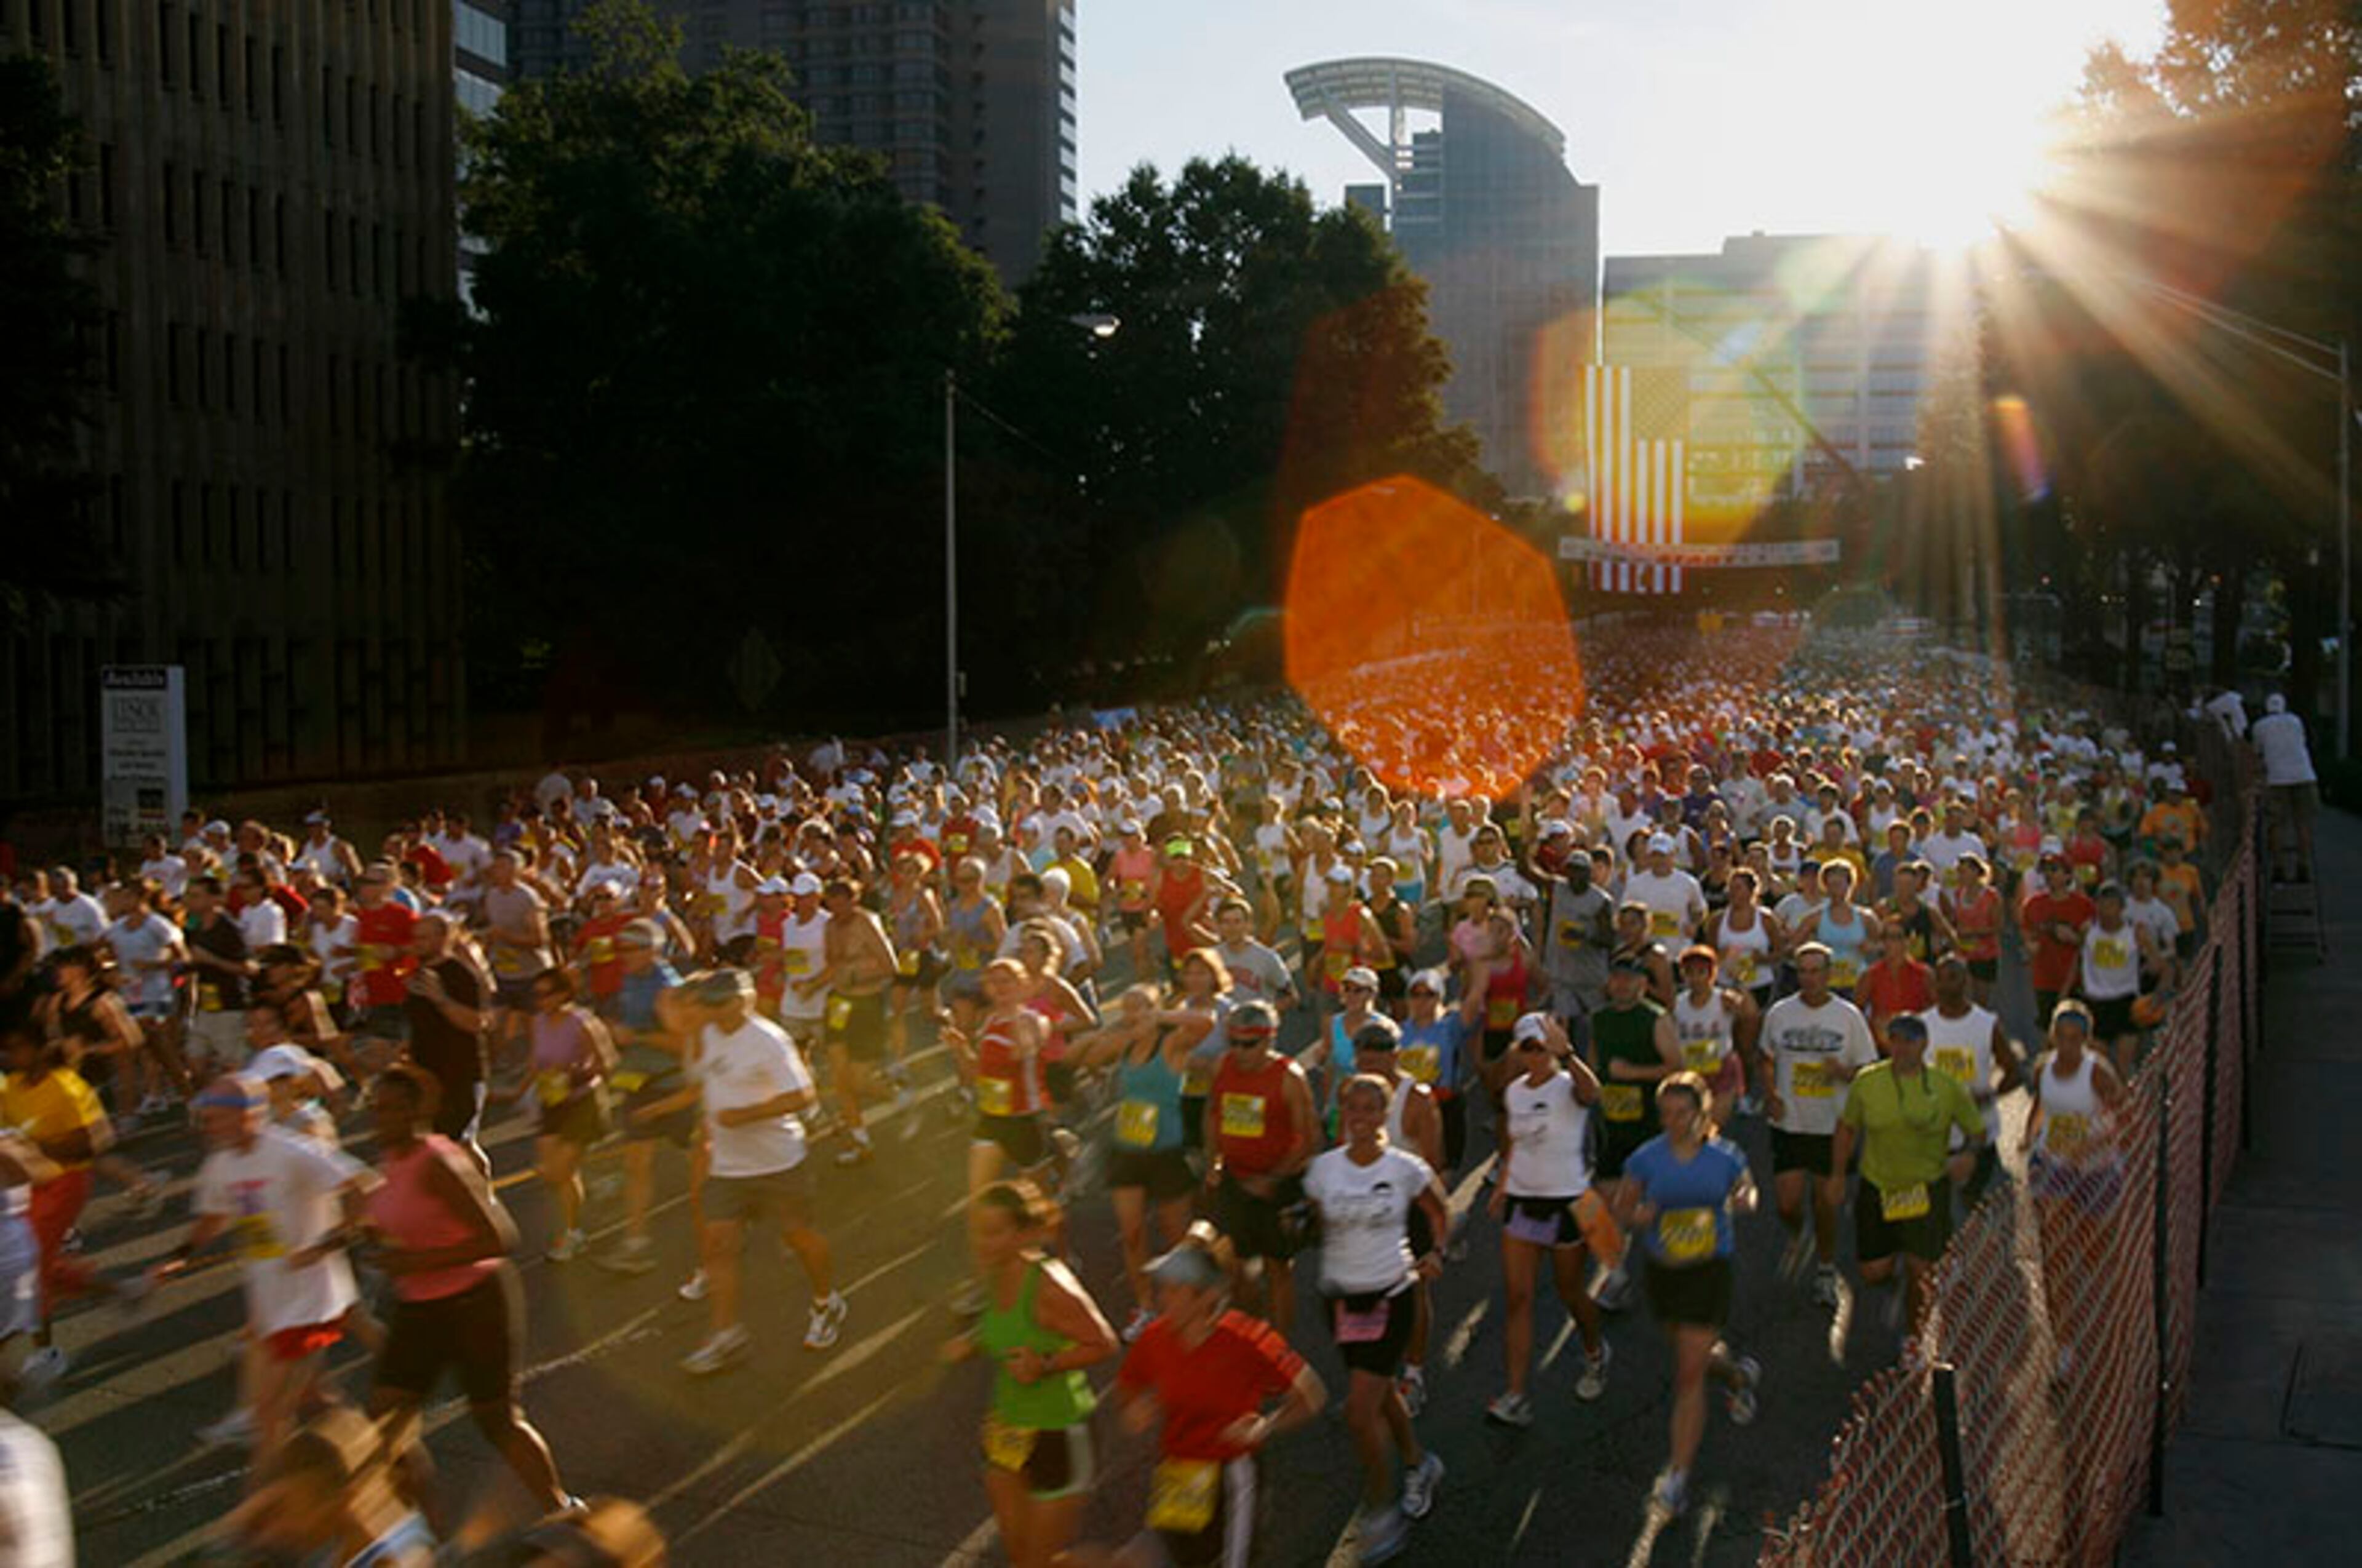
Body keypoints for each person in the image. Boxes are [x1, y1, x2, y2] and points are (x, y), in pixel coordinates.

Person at [362, 1064, 571, 1530]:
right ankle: (425, 1531)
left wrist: (414, 1262)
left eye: (395, 1109)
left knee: (497, 1419)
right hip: (419, 1306)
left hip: (476, 1301)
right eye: (377, 1108)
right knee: (383, 1419)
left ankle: (562, 1510)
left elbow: (500, 1237)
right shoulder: (390, 1161)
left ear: (419, 1111)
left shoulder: (440, 1161)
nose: (383, 1118)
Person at [1062, 1226, 1326, 1568]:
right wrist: (1133, 1410)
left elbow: (1310, 1394)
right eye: (1162, 1290)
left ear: (1206, 1298)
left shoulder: (1247, 1340)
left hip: (1231, 1480)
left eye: (1174, 1291)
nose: (1162, 1299)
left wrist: (1265, 1427)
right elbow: (1129, 1387)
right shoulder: (1154, 1339)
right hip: (1178, 1474)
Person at [629, 969, 846, 1371]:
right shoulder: (710, 1032)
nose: (708, 1011)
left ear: (740, 1002)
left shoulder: (769, 1041)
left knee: (799, 1236)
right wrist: (664, 1107)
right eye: (706, 1004)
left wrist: (747, 1113)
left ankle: (827, 1300)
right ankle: (726, 1334)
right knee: (718, 1244)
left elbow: (803, 1093)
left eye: (715, 1004)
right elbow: (704, 1082)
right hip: (729, 1166)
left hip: (778, 1161)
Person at [153, 1074, 375, 1464]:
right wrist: (181, 1253)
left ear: (250, 1116)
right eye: (206, 1118)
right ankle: (370, 1450)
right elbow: (214, 1215)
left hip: (310, 1297)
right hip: (269, 1299)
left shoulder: (293, 1151)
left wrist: (328, 1244)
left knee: (272, 1417)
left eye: (215, 1118)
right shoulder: (222, 1163)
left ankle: (266, 1506)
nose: (207, 1127)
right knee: (311, 1400)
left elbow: (366, 1186)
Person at [1302, 1073, 1448, 1558]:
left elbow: (1438, 1208)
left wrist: (1436, 1251)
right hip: (1341, 1300)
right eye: (1352, 1109)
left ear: (1385, 1115)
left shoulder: (1405, 1167)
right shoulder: (1322, 1170)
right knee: (1381, 1393)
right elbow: (1320, 1221)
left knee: (1360, 1411)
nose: (1360, 1118)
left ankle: (1382, 1511)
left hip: (1391, 1294)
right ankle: (1419, 1461)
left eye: (1370, 1109)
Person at [939, 1181, 1117, 1568]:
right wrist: (970, 1344)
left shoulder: (1049, 1286)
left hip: (1059, 1432)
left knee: (1040, 1561)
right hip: (1007, 1428)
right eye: (977, 1231)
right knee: (1020, 1556)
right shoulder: (992, 1273)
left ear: (1021, 1233)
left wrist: (1045, 1365)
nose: (981, 1243)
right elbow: (1004, 1332)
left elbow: (1104, 1343)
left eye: (993, 1233)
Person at [1618, 1072, 1763, 1518]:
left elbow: (1749, 1191)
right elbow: (1622, 1208)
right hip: (1664, 1272)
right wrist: (1638, 1216)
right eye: (1666, 1113)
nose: (1674, 1122)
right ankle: (1736, 1373)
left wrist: (1744, 1199)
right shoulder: (1646, 1158)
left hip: (1709, 1271)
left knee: (1687, 1374)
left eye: (1683, 1113)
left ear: (1702, 1113)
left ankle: (1677, 1478)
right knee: (1688, 1351)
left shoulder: (1725, 1156)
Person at [1485, 1013, 1612, 1427]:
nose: (1536, 1056)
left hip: (1568, 1203)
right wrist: (1504, 1183)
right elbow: (1515, 1144)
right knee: (1518, 1298)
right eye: (1528, 1048)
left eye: (1542, 1047)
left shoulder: (1567, 1085)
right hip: (1523, 1202)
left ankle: (1595, 1351)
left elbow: (1592, 1093)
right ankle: (1517, 1394)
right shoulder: (1514, 1093)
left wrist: (1569, 1054)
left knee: (1570, 1290)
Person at [1831, 1014, 1985, 1334]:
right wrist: (1837, 1175)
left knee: (1922, 1272)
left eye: (1910, 1041)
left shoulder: (1947, 1086)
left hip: (1926, 1189)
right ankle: (1898, 1266)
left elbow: (1977, 1132)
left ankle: (1915, 1341)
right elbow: (1847, 1128)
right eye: (1896, 1040)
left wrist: (1968, 1154)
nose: (1901, 1048)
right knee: (1874, 1273)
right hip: (1878, 1186)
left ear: (1924, 1044)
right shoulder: (1868, 1081)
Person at [1074, 985, 1209, 1340]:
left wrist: (1162, 1016)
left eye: (1143, 1006)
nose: (1136, 1013)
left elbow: (1205, 1024)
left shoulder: (1172, 1043)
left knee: (1175, 1235)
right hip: (1128, 1149)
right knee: (1132, 1234)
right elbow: (1091, 1057)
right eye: (1129, 1007)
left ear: (1157, 1008)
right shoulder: (1127, 1044)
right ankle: (1146, 1306)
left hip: (1166, 1151)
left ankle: (1190, 1304)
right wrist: (1121, 1033)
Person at [1761, 942, 1879, 1308]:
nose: (1809, 978)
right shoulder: (1780, 1013)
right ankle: (1800, 1234)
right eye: (1803, 971)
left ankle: (1826, 1270)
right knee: (1787, 1203)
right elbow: (1765, 1057)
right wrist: (1770, 1093)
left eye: (1816, 971)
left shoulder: (1848, 1017)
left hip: (1833, 1127)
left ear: (1829, 974)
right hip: (1790, 1123)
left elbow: (1869, 1069)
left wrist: (1843, 1072)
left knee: (1826, 1204)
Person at [1202, 1000, 1318, 1332]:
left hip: (1276, 1187)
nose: (1239, 1052)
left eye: (1248, 1044)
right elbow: (1213, 1115)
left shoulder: (1289, 1077)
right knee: (1234, 1268)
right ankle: (1255, 1337)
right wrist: (1213, 1161)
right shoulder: (1221, 1067)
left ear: (1269, 1040)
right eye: (1234, 1043)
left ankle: (1280, 1350)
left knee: (1278, 1269)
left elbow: (1307, 1140)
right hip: (1235, 1180)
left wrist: (1273, 1178)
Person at [222, 1406, 437, 1566]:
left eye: (281, 1510)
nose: (271, 1531)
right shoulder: (364, 1528)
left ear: (343, 1501)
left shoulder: (393, 1559)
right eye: (274, 1506)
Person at [1585, 955, 1680, 1308]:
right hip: (1611, 1126)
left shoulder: (1656, 1019)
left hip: (1649, 1126)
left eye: (1630, 980)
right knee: (1607, 1200)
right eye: (1617, 979)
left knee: (1657, 1200)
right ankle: (1618, 1274)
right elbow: (1596, 1066)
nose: (1622, 985)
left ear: (1643, 984)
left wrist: (1633, 1073)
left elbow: (1677, 1067)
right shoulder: (1599, 1019)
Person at [512, 969, 615, 1262]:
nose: (541, 1001)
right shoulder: (538, 1022)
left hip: (582, 1102)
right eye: (537, 995)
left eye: (547, 994)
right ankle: (592, 1196)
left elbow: (607, 1063)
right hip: (551, 1102)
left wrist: (574, 1075)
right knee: (555, 1173)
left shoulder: (582, 1023)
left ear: (563, 994)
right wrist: (517, 1092)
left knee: (560, 1172)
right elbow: (535, 1061)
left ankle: (573, 1232)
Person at [1918, 954, 2022, 1209]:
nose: (1945, 985)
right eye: (1940, 979)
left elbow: (2015, 1072)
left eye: (1952, 978)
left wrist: (1989, 1095)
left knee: (1974, 1208)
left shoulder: (1987, 1024)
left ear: (1966, 982)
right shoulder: (1923, 1025)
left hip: (1979, 1133)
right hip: (1936, 1134)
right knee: (1936, 1209)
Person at [2251, 693, 2318, 882]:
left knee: (2276, 825)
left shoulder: (2260, 726)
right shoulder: (2296, 721)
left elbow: (2258, 753)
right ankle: (2303, 865)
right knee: (2302, 823)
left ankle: (2278, 867)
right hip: (2304, 775)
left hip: (2277, 779)